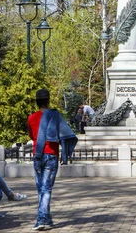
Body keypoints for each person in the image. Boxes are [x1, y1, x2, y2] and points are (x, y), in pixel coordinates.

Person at [27, 89, 78, 231]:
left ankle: (46, 219)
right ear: (48, 101)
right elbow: (65, 134)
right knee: (47, 188)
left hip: (37, 155)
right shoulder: (54, 116)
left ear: (37, 102)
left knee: (41, 189)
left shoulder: (31, 118)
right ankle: (42, 219)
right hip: (51, 154)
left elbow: (32, 136)